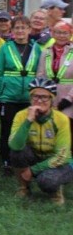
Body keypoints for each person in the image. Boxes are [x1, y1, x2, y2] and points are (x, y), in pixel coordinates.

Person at [9, 77, 73, 205]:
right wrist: (28, 121)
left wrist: (32, 170)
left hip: (60, 162)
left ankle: (56, 193)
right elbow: (14, 145)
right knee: (16, 153)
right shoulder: (21, 115)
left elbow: (62, 156)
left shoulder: (61, 119)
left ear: (51, 99)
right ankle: (24, 188)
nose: (39, 100)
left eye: (44, 97)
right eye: (35, 96)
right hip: (36, 155)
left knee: (46, 181)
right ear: (30, 98)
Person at [0, 15, 42, 174]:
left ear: (29, 29)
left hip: (28, 98)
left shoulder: (36, 48)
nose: (20, 31)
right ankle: (7, 159)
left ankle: (26, 159)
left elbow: (40, 74)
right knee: (7, 129)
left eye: (23, 27)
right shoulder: (5, 48)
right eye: (17, 28)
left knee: (28, 129)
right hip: (8, 97)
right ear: (12, 30)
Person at [37, 20, 73, 148]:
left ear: (70, 34)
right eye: (58, 32)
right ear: (52, 33)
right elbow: (40, 75)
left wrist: (68, 99)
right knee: (50, 132)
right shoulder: (46, 52)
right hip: (49, 99)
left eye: (65, 33)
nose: (61, 36)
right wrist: (42, 96)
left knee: (68, 132)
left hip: (69, 101)